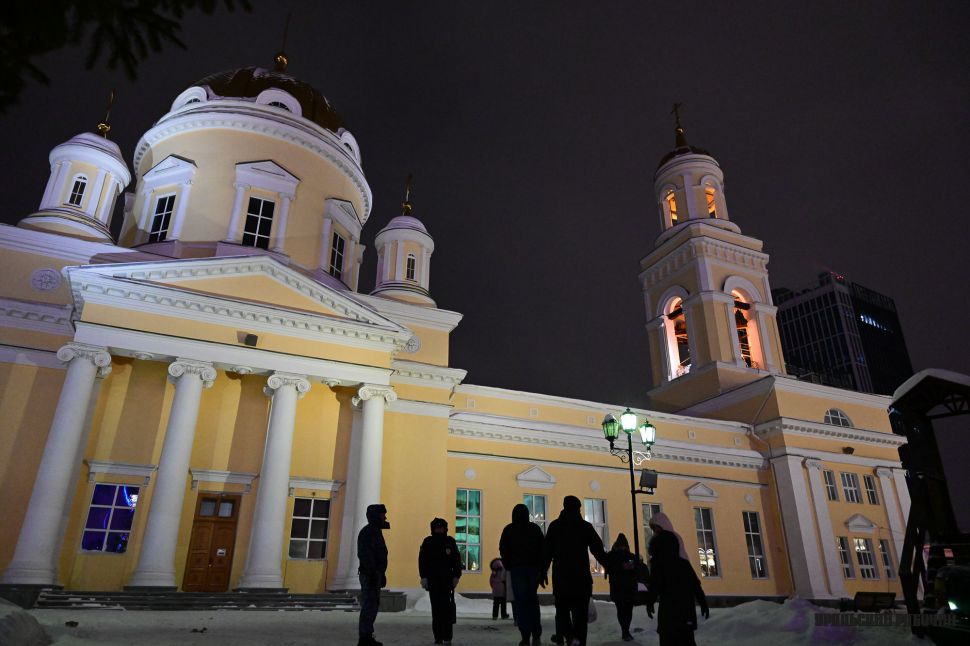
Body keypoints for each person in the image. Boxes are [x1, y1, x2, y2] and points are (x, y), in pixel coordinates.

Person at [541, 495, 608, 646]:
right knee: (580, 617)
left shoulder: (555, 526)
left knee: (562, 612)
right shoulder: (584, 526)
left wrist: (543, 571)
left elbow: (547, 552)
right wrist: (607, 565)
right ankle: (578, 640)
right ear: (578, 509)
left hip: (562, 578)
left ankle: (570, 637)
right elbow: (598, 549)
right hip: (581, 579)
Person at [646, 513, 709, 646]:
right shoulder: (682, 560)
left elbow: (655, 583)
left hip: (669, 610)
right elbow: (694, 582)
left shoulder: (659, 561)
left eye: (655, 528)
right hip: (685, 609)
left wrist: (650, 601)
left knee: (669, 640)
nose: (654, 531)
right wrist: (702, 601)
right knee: (686, 640)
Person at [499, 503, 545, 646]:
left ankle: (525, 636)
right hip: (532, 570)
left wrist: (509, 565)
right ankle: (536, 634)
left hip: (517, 570)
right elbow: (543, 550)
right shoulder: (535, 529)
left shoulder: (509, 529)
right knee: (532, 602)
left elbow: (503, 549)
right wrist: (541, 570)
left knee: (521, 604)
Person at [419, 517, 463, 645]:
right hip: (433, 581)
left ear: (445, 529)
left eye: (441, 528)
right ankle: (438, 636)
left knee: (446, 610)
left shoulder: (450, 542)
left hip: (447, 581)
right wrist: (424, 577)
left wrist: (456, 576)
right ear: (433, 529)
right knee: (436, 610)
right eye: (437, 528)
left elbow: (456, 560)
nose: (439, 530)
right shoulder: (428, 542)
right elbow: (422, 561)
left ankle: (447, 636)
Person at [357, 503, 390, 646]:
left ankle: (367, 636)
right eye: (383, 514)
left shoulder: (374, 531)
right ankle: (365, 638)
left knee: (372, 605)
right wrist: (373, 573)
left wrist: (381, 573)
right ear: (376, 516)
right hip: (370, 574)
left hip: (373, 574)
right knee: (369, 605)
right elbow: (366, 555)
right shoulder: (369, 532)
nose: (385, 517)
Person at [604, 533, 639, 642]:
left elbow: (635, 568)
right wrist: (622, 567)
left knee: (624, 610)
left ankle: (625, 630)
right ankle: (625, 630)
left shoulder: (617, 556)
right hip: (623, 587)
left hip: (622, 588)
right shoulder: (615, 556)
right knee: (625, 610)